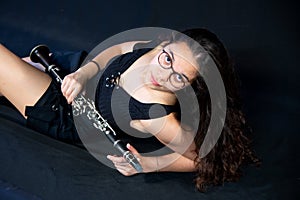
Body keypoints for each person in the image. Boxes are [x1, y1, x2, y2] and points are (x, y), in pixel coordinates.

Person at [0, 28, 260, 192]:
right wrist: (82, 73)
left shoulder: (154, 115)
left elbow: (201, 159)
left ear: (191, 87)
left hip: (64, 112)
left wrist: (150, 164)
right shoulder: (155, 49)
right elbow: (115, 49)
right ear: (164, 43)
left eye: (180, 78)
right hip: (74, 75)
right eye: (167, 59)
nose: (162, 74)